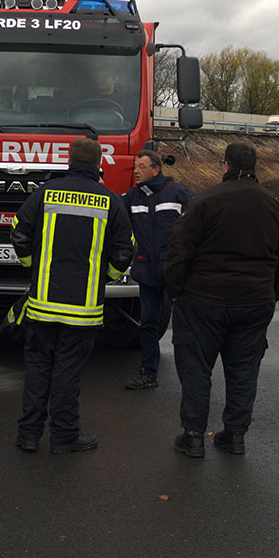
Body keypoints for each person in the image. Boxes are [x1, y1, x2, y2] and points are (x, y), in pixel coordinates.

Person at [163, 142, 279, 458]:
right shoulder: (273, 205)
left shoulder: (205, 201)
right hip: (254, 303)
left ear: (225, 165)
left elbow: (179, 250)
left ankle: (194, 434)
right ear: (254, 167)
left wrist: (176, 291)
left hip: (203, 300)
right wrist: (270, 293)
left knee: (196, 368)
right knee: (243, 371)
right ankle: (234, 434)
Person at [11, 137, 134, 454]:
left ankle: (28, 435)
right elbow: (125, 250)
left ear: (69, 160)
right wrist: (101, 280)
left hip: (41, 303)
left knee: (38, 368)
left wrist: (34, 269)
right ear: (99, 164)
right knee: (67, 372)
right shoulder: (110, 201)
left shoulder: (44, 194)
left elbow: (19, 232)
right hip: (83, 308)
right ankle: (64, 438)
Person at [121, 150, 193, 390]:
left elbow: (200, 221)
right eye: (134, 167)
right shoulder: (132, 197)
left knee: (185, 327)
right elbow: (112, 207)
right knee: (148, 324)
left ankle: (193, 377)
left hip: (176, 272)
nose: (137, 171)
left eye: (141, 166)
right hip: (147, 272)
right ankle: (148, 373)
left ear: (156, 169)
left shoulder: (178, 193)